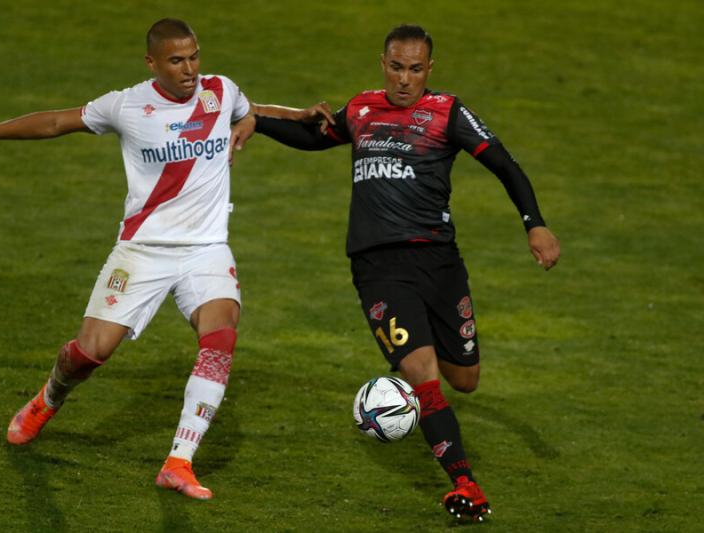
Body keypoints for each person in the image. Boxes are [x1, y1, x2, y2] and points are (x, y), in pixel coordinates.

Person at [239, 24, 561, 522]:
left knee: (465, 378)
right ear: (382, 63)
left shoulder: (447, 113)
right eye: (396, 67)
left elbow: (505, 164)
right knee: (425, 377)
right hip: (378, 267)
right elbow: (312, 137)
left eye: (415, 69)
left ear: (429, 69)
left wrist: (534, 225)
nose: (404, 79)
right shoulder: (362, 109)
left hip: (440, 264)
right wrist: (253, 118)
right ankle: (465, 483)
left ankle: (411, 364)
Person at [0, 18, 259, 501]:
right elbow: (55, 121)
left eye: (194, 56)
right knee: (91, 352)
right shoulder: (129, 104)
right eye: (177, 60)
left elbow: (249, 108)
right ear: (152, 63)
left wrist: (255, 120)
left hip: (207, 249)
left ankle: (179, 462)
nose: (190, 69)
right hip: (143, 250)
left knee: (220, 339)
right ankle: (48, 399)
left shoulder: (220, 89)